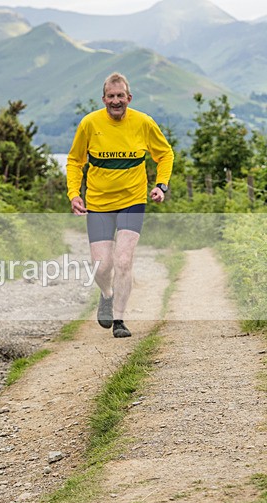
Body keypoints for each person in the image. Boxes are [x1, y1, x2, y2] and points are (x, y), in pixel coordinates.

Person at [66, 72, 173, 338]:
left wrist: (161, 185)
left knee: (123, 260)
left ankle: (119, 320)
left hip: (132, 201)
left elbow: (165, 154)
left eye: (120, 96)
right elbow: (74, 161)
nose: (116, 101)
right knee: (102, 267)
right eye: (111, 97)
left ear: (129, 98)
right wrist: (73, 193)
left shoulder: (143, 122)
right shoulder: (90, 124)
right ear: (104, 99)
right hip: (99, 203)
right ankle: (106, 293)